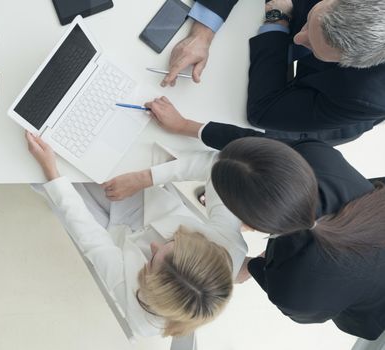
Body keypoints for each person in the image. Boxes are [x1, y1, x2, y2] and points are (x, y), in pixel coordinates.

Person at [102, 100, 385, 346]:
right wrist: (187, 126)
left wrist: (241, 263)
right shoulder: (319, 157)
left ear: (248, 223)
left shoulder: (293, 291)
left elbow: (262, 273)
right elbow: (252, 153)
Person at [25, 131, 247, 337]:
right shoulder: (230, 244)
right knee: (82, 152)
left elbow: (94, 241)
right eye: (172, 242)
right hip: (146, 206)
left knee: (42, 174)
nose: (153, 246)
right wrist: (146, 179)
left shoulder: (143, 319)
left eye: (151, 262)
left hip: (114, 243)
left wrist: (53, 176)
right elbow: (220, 164)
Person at [163, 0, 385, 143]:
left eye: (313, 47)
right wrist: (202, 34)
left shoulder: (364, 97)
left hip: (332, 106)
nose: (298, 38)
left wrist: (277, 20)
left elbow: (265, 110)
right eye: (308, 25)